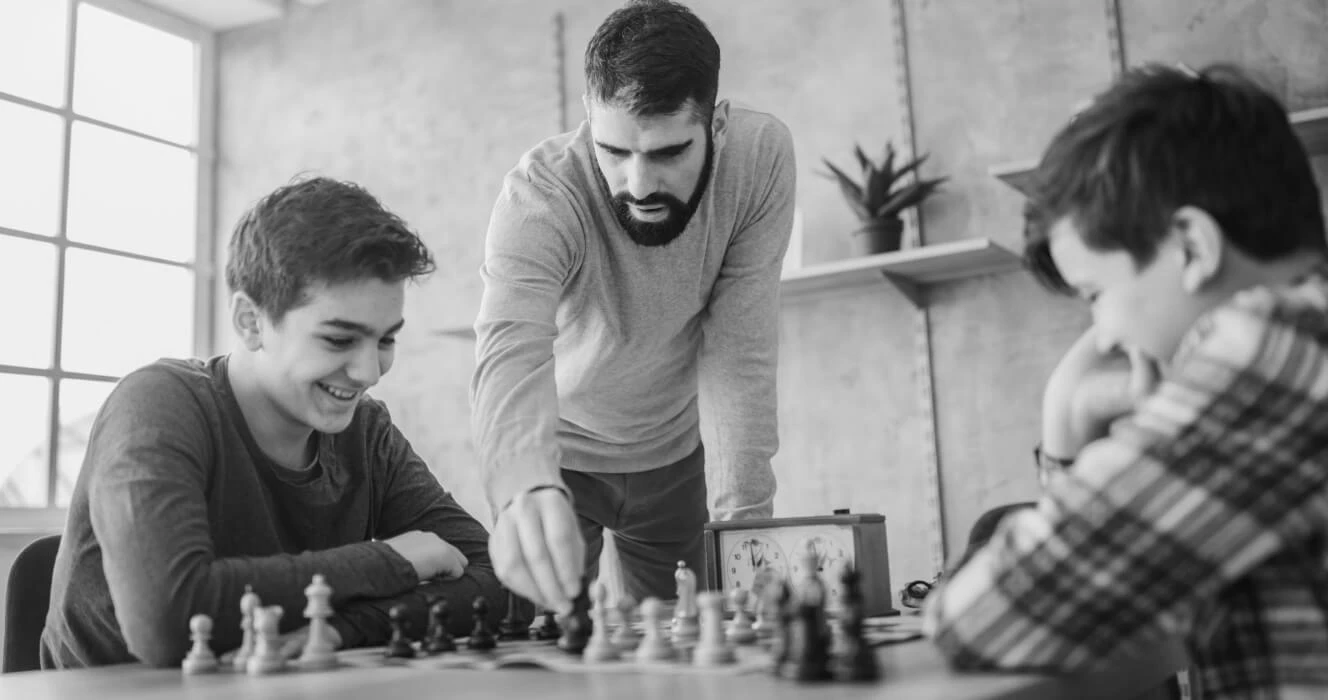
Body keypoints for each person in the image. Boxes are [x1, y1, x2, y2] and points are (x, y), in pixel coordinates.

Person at [922, 63, 1328, 699]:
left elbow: (986, 618)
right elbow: (1113, 603)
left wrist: (1067, 407)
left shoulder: (1278, 349)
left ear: (1192, 247)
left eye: (1095, 294)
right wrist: (1075, 413)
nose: (1105, 337)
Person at [41, 176, 506, 669]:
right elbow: (166, 623)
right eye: (339, 340)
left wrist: (343, 627)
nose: (370, 372)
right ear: (250, 321)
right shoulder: (155, 405)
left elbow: (498, 577)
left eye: (386, 340)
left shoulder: (366, 433)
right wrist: (393, 560)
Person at [471, 0, 796, 614]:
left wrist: (745, 535)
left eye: (668, 153)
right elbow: (510, 351)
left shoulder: (759, 159)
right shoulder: (541, 195)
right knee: (553, 641)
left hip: (672, 453)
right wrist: (521, 488)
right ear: (588, 117)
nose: (639, 184)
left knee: (689, 639)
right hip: (556, 459)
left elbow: (740, 350)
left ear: (717, 124)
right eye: (614, 151)